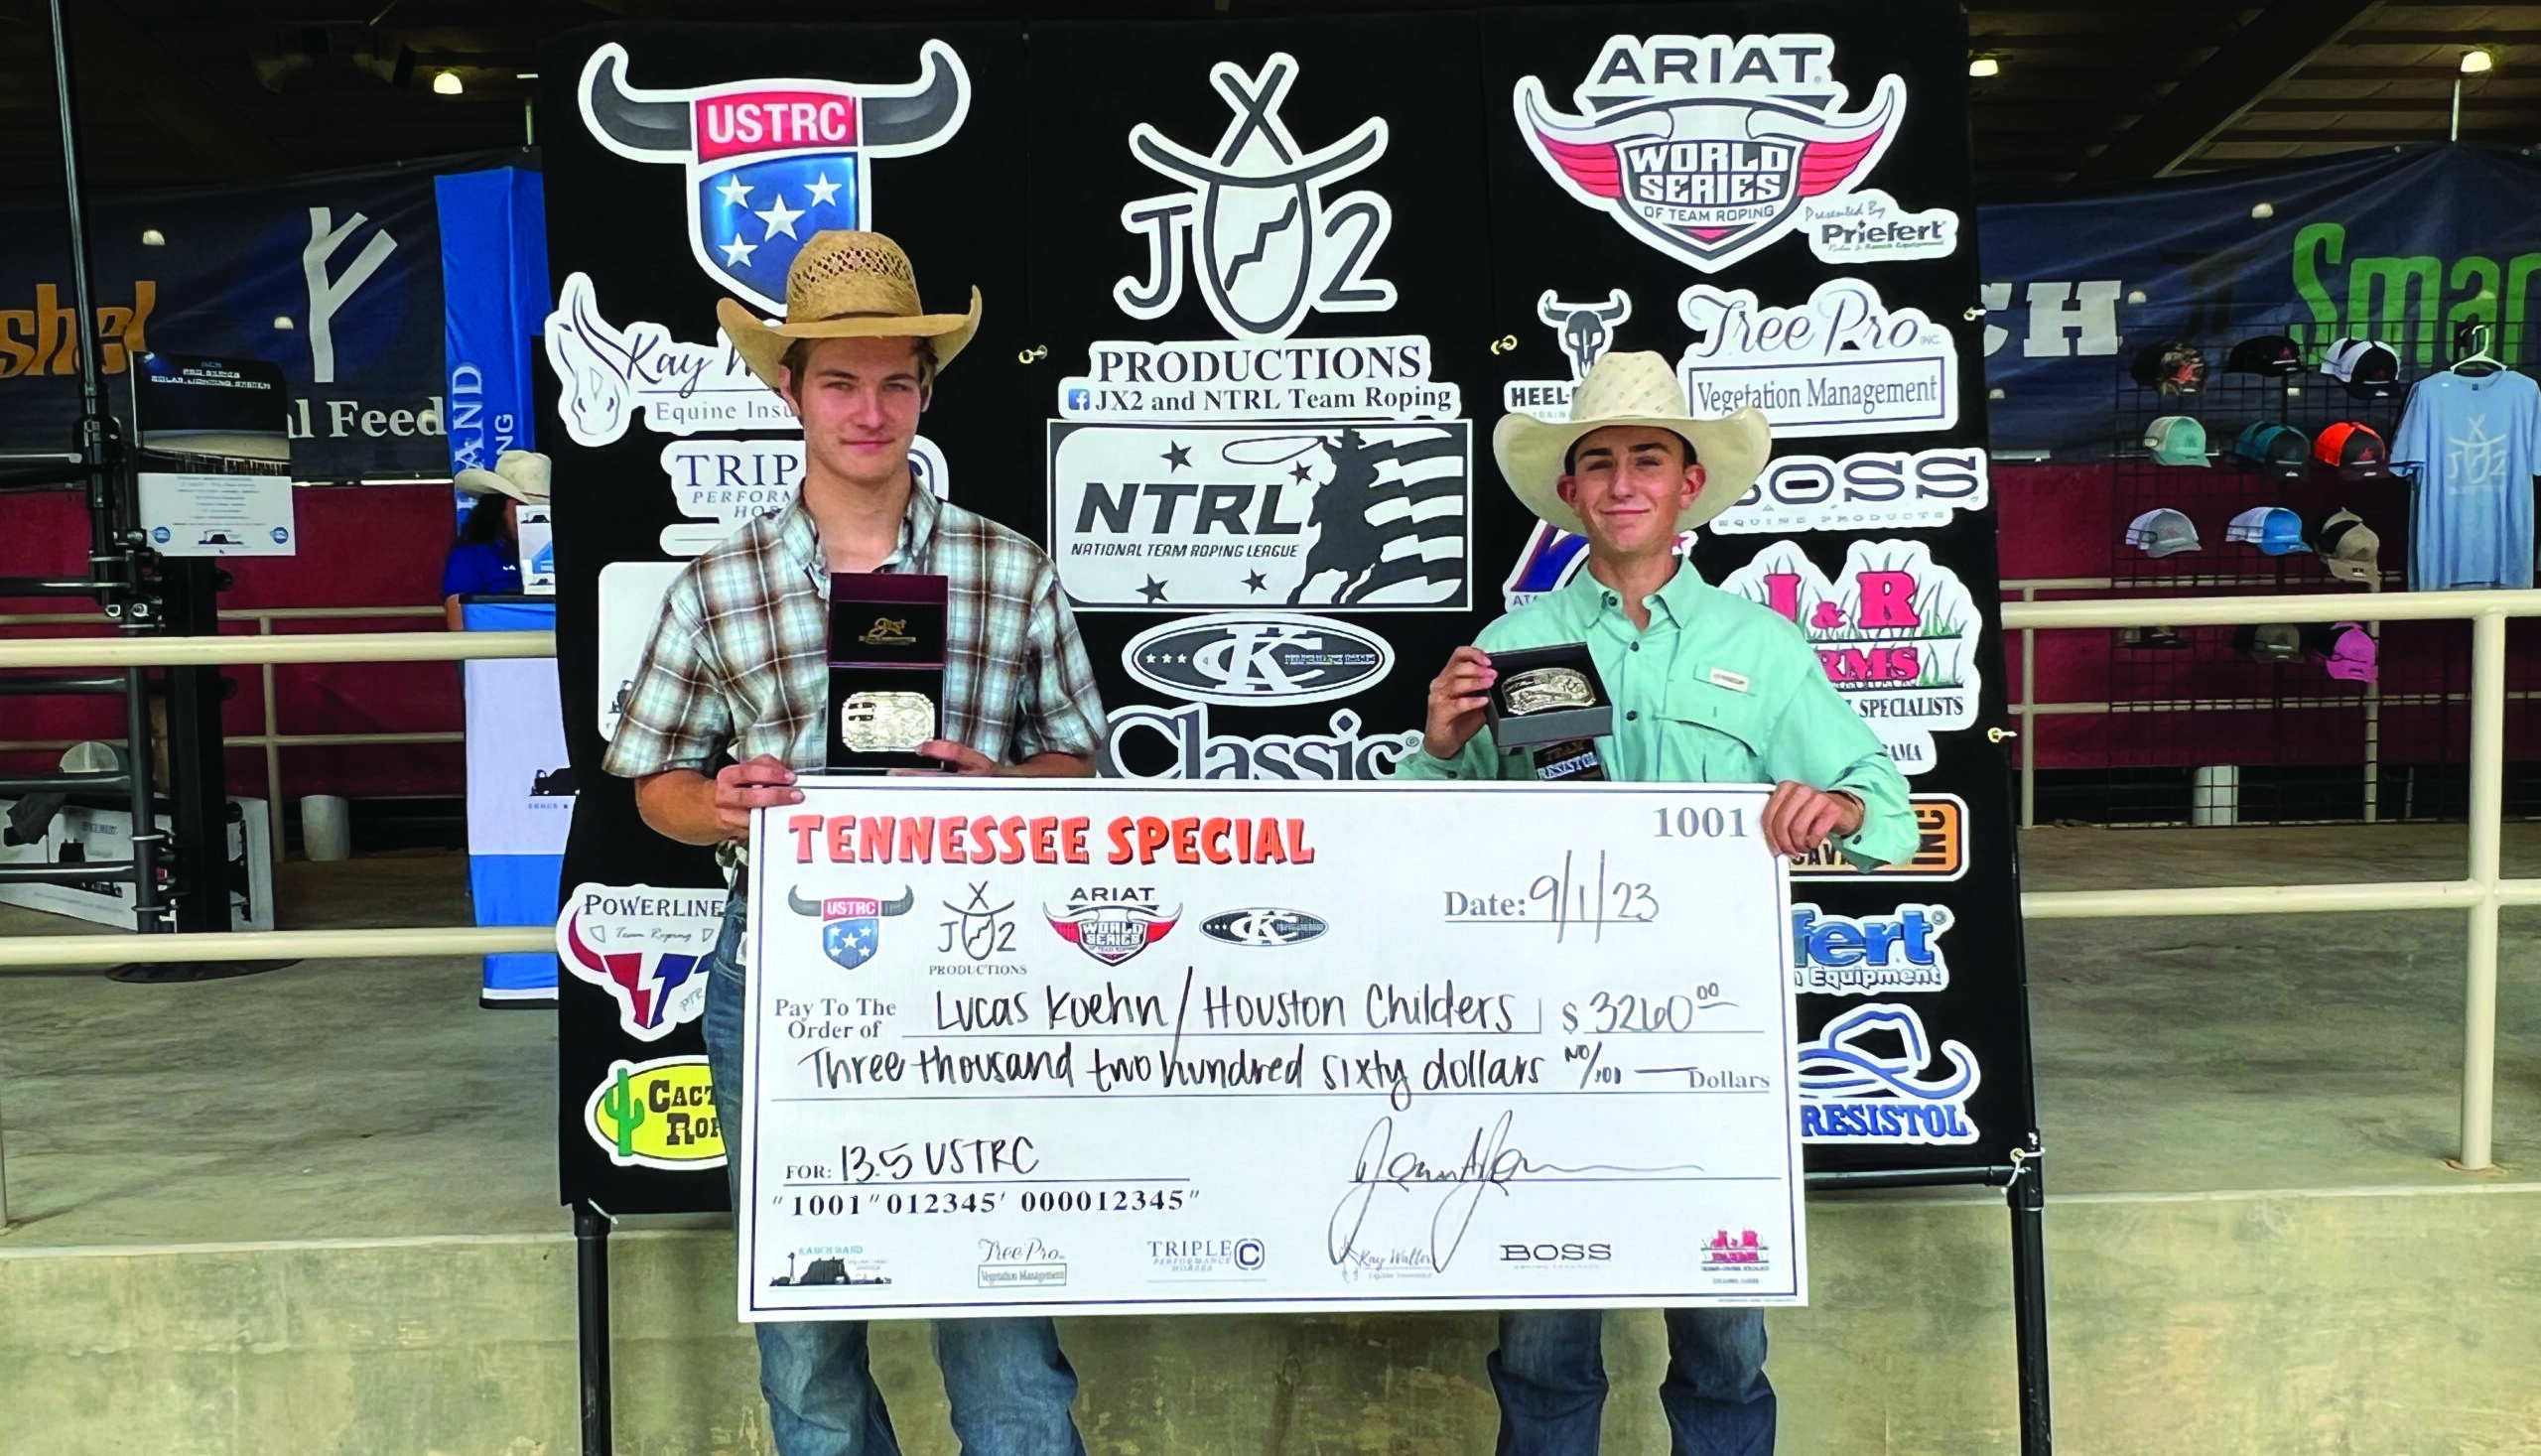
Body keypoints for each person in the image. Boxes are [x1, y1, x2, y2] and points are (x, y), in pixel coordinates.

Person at [601, 230, 1107, 1456]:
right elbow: (649, 780)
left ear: (926, 393)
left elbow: (1078, 761)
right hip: (776, 970)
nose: (867, 408)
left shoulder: (1008, 566)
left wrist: (1005, 786)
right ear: (790, 391)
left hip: (975, 965)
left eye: (893, 381)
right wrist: (716, 804)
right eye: (839, 381)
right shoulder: (715, 583)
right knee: (810, 1335)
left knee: (998, 1306)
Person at [1393, 349, 1918, 1456]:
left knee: (1723, 1345)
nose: (1622, 481)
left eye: (1647, 458)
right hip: (1538, 1039)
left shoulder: (1762, 648)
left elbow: (1891, 812)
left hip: (1712, 1042)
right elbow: (1417, 846)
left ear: (1687, 485)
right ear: (1570, 492)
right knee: (1542, 1349)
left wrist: (1829, 807)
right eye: (1598, 463)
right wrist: (1438, 751)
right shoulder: (1509, 645)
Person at [442, 450, 548, 628]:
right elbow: (460, 627)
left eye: (542, 511)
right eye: (522, 507)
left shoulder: (569, 553)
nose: (531, 518)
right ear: (498, 507)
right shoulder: (471, 556)